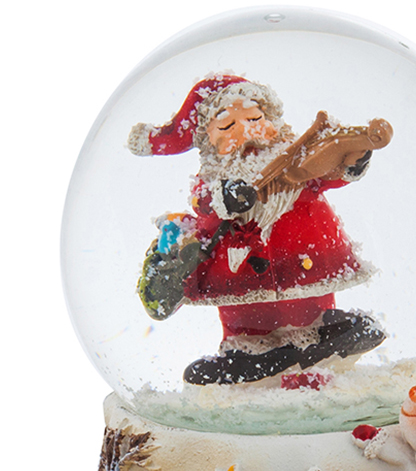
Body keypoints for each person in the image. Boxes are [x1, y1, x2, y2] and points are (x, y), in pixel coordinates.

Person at [128, 74, 390, 385]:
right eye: (228, 126)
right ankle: (247, 351)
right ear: (207, 140)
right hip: (239, 263)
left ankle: (317, 335)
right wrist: (226, 198)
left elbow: (326, 175)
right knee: (245, 312)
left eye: (255, 118)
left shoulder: (297, 160)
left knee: (308, 299)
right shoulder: (214, 176)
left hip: (302, 250)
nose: (247, 130)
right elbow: (205, 203)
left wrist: (350, 162)